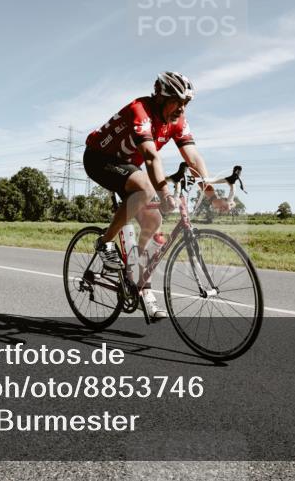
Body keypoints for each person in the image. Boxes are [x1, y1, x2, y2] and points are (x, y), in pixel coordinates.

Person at [83, 72, 230, 320]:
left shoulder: (178, 119)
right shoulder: (139, 110)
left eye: (186, 104)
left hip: (128, 166)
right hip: (99, 158)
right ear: (161, 99)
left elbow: (193, 157)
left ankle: (139, 282)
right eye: (177, 101)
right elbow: (151, 157)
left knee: (154, 223)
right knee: (146, 189)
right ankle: (105, 242)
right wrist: (164, 193)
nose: (181, 109)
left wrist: (212, 196)